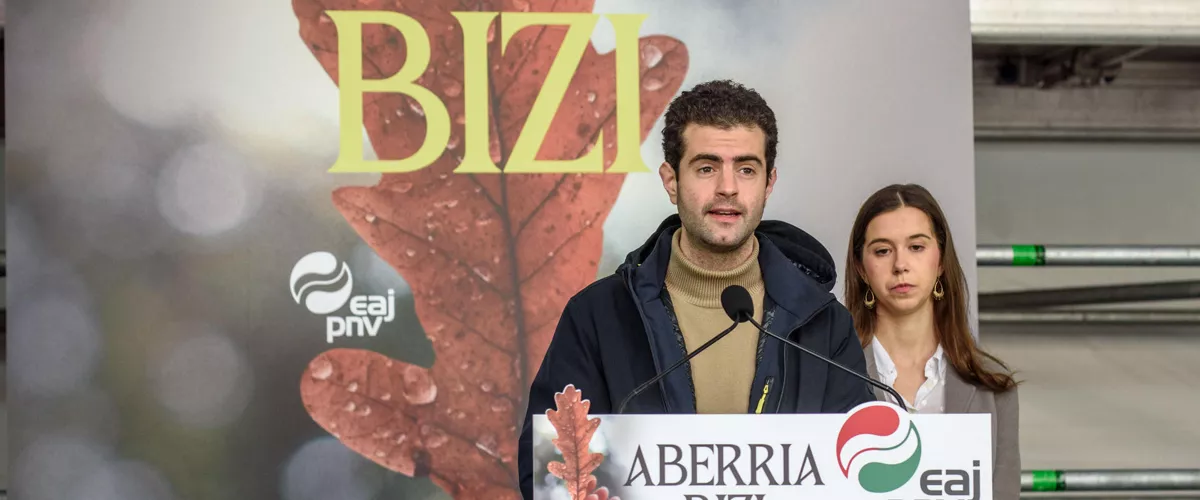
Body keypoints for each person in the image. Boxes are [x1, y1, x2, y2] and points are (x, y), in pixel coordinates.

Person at [517, 79, 875, 499]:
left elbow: (856, 477)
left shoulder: (823, 324)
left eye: (746, 168)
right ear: (671, 181)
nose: (728, 186)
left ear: (769, 183)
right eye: (706, 167)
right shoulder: (598, 316)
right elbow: (550, 471)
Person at [844, 183, 1021, 499]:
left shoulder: (992, 386)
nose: (900, 265)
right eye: (883, 250)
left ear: (940, 260)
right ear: (861, 268)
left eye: (917, 247)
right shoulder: (831, 373)